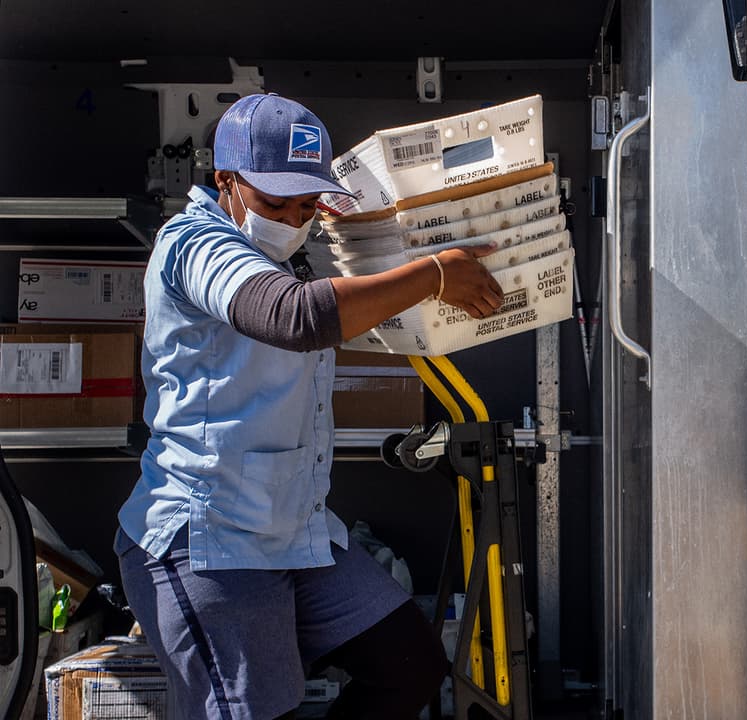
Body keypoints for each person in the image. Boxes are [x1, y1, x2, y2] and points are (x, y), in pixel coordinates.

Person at [115, 93, 502, 720]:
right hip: (207, 537)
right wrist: (433, 275)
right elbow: (294, 317)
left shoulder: (288, 252)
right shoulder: (194, 244)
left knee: (410, 666)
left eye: (306, 205)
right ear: (225, 181)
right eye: (275, 203)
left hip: (292, 530)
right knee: (254, 711)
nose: (294, 218)